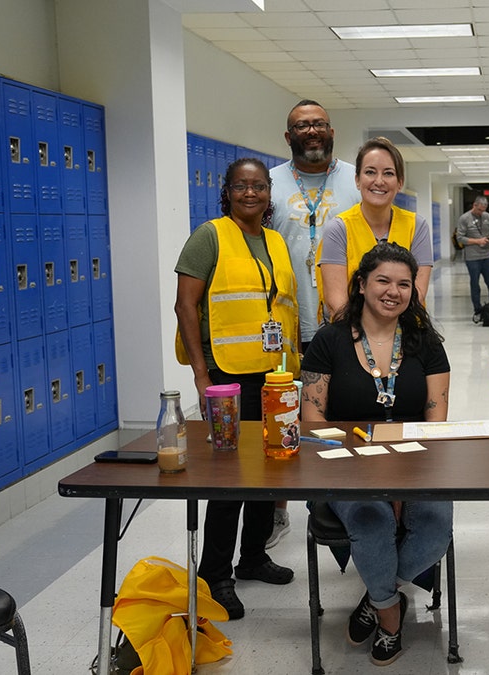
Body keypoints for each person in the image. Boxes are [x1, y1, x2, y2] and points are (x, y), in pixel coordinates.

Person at [301, 242, 451, 667]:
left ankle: (377, 594)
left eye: (404, 284)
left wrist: (402, 479)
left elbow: (435, 423)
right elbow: (311, 423)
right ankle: (389, 616)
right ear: (362, 284)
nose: (393, 291)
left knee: (436, 525)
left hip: (415, 462)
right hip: (346, 463)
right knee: (372, 518)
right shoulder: (328, 342)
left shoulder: (425, 343)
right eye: (383, 280)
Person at [174, 157, 302, 620]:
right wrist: (201, 376)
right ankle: (216, 574)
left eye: (260, 186)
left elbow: (282, 307)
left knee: (271, 468)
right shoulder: (209, 236)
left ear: (270, 193)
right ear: (226, 191)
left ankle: (253, 558)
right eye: (241, 186)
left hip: (275, 374)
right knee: (230, 477)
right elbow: (185, 306)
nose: (251, 193)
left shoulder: (274, 241)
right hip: (226, 375)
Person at [266, 99, 361, 549]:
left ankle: (346, 501)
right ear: (289, 137)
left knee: (340, 412)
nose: (312, 131)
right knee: (282, 414)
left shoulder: (355, 180)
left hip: (344, 320)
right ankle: (278, 508)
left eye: (319, 123)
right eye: (302, 125)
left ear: (332, 131)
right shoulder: (270, 181)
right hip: (287, 321)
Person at [317, 137, 433, 322]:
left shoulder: (416, 227)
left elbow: (416, 295)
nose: (379, 181)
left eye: (388, 173)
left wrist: (389, 338)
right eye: (370, 172)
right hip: (351, 336)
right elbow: (336, 302)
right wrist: (367, 340)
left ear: (400, 182)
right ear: (357, 180)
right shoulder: (339, 229)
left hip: (406, 336)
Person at [455, 196, 489, 323]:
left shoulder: (487, 216)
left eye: (483, 210)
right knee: (475, 284)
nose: (481, 213)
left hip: (487, 255)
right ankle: (478, 310)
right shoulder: (464, 218)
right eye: (479, 210)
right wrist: (477, 241)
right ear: (474, 205)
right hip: (472, 257)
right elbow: (460, 238)